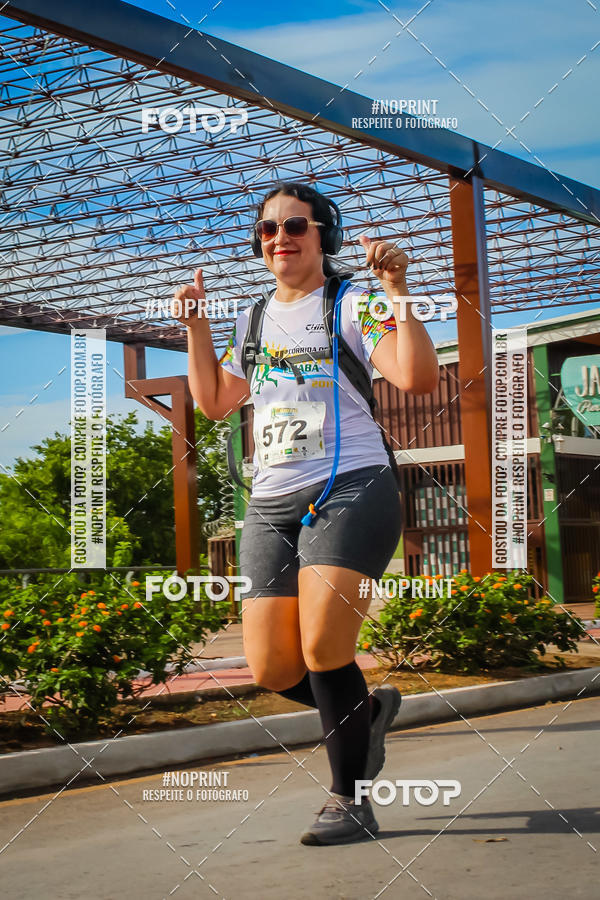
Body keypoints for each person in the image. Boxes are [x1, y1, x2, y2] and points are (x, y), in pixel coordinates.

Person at [172, 181, 439, 845]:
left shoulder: (354, 301)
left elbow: (416, 378)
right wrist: (196, 326)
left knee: (323, 649)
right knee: (273, 669)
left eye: (295, 226)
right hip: (269, 503)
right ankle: (368, 710)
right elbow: (213, 402)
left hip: (350, 486)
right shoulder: (253, 320)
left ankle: (349, 798)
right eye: (268, 230)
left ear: (325, 235)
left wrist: (398, 293)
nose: (280, 238)